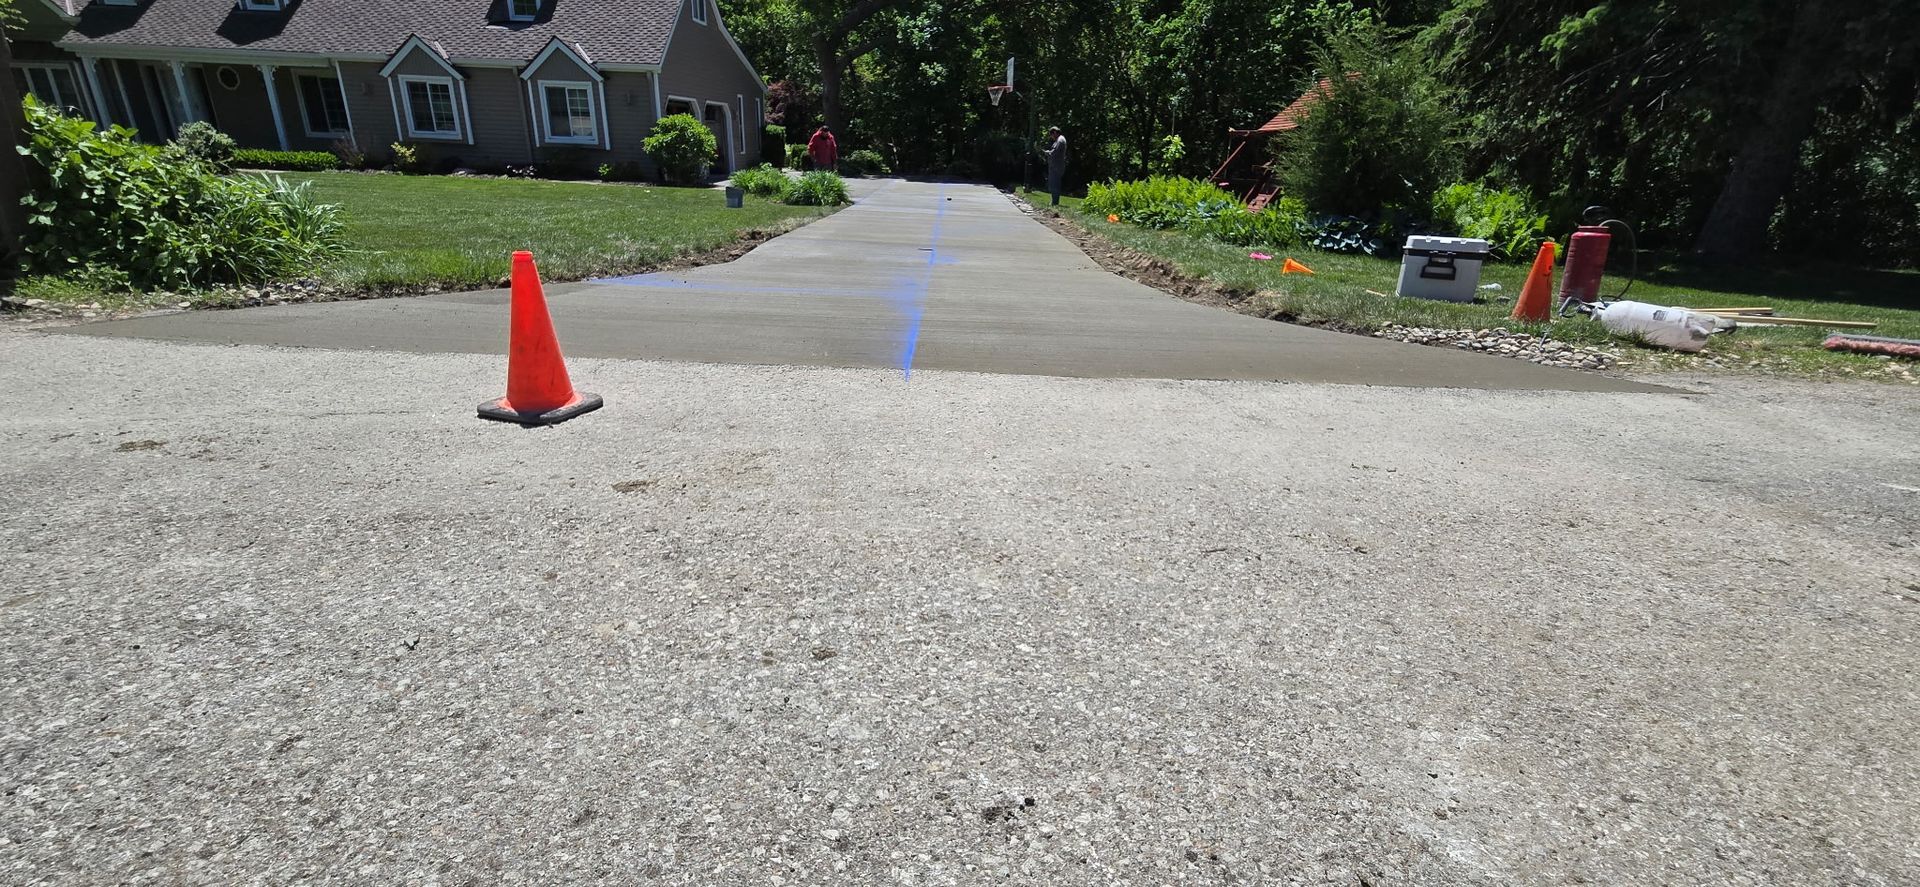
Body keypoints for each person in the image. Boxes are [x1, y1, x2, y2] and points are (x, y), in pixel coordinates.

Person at [1042, 126, 1069, 206]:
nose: (1051, 137)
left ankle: (1055, 202)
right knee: (1054, 184)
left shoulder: (1060, 140)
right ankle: (1054, 201)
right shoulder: (1060, 140)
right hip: (1056, 166)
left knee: (1055, 184)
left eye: (1051, 135)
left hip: (1056, 167)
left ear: (1055, 132)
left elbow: (1055, 153)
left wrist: (1047, 152)